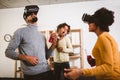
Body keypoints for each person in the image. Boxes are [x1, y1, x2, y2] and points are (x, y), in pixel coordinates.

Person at [64, 7, 120, 80]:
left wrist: (80, 72)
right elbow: (110, 60)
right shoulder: (107, 36)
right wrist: (95, 61)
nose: (88, 24)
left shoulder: (103, 38)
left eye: (91, 21)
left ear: (97, 23)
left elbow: (108, 67)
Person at [5, 5, 55, 80]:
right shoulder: (20, 32)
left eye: (35, 13)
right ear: (26, 19)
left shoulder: (41, 35)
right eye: (30, 14)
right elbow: (8, 52)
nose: (33, 14)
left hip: (47, 71)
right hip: (32, 75)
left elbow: (46, 56)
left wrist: (54, 44)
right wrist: (26, 58)